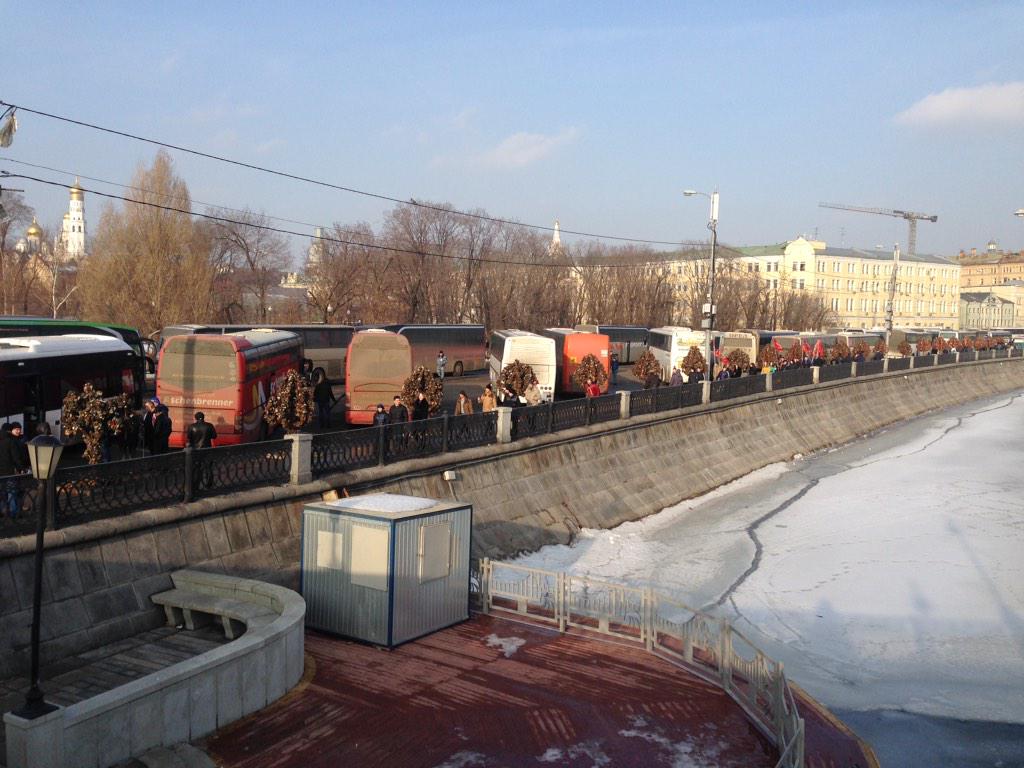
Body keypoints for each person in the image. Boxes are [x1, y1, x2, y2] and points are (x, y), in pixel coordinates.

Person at [0, 423, 29, 518]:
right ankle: (13, 513)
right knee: (12, 492)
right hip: (9, 471)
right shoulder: (11, 441)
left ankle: (3, 511)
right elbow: (16, 458)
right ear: (9, 431)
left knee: (2, 492)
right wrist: (22, 469)